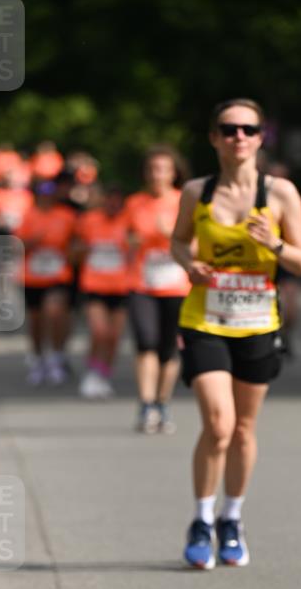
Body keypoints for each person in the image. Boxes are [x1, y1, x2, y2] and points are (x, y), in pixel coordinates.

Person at [171, 99, 301, 568]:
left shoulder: (280, 194)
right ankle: (201, 518)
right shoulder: (197, 191)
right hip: (204, 319)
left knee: (245, 428)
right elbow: (177, 240)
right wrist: (190, 265)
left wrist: (272, 242)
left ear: (260, 137)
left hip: (256, 323)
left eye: (247, 129)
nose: (238, 137)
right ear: (214, 137)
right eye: (228, 129)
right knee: (218, 424)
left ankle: (232, 518)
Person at [125, 146, 191, 433]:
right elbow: (125, 238)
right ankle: (146, 403)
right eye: (152, 169)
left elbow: (199, 246)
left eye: (163, 168)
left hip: (177, 285)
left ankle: (163, 402)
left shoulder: (185, 202)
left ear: (174, 172)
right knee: (145, 342)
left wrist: (170, 235)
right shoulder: (134, 203)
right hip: (142, 283)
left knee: (169, 349)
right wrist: (131, 242)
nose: (157, 174)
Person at [15, 181, 77, 386]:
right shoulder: (28, 215)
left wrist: (71, 253)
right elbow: (16, 246)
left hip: (58, 275)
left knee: (54, 312)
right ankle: (38, 358)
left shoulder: (66, 216)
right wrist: (33, 241)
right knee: (36, 319)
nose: (46, 198)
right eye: (42, 194)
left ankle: (57, 357)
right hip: (33, 275)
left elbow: (77, 241)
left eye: (49, 195)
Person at [74, 185, 130, 398]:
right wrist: (82, 250)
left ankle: (104, 374)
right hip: (94, 285)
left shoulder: (128, 221)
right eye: (109, 200)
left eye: (117, 201)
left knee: (114, 337)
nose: (113, 205)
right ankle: (91, 372)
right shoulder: (89, 220)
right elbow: (75, 250)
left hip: (122, 286)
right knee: (99, 332)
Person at [266, 161, 301, 357]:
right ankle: (270, 336)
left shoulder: (298, 201)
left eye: (282, 177)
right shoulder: (256, 198)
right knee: (271, 301)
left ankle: (286, 333)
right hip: (265, 258)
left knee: (291, 305)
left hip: (287, 254)